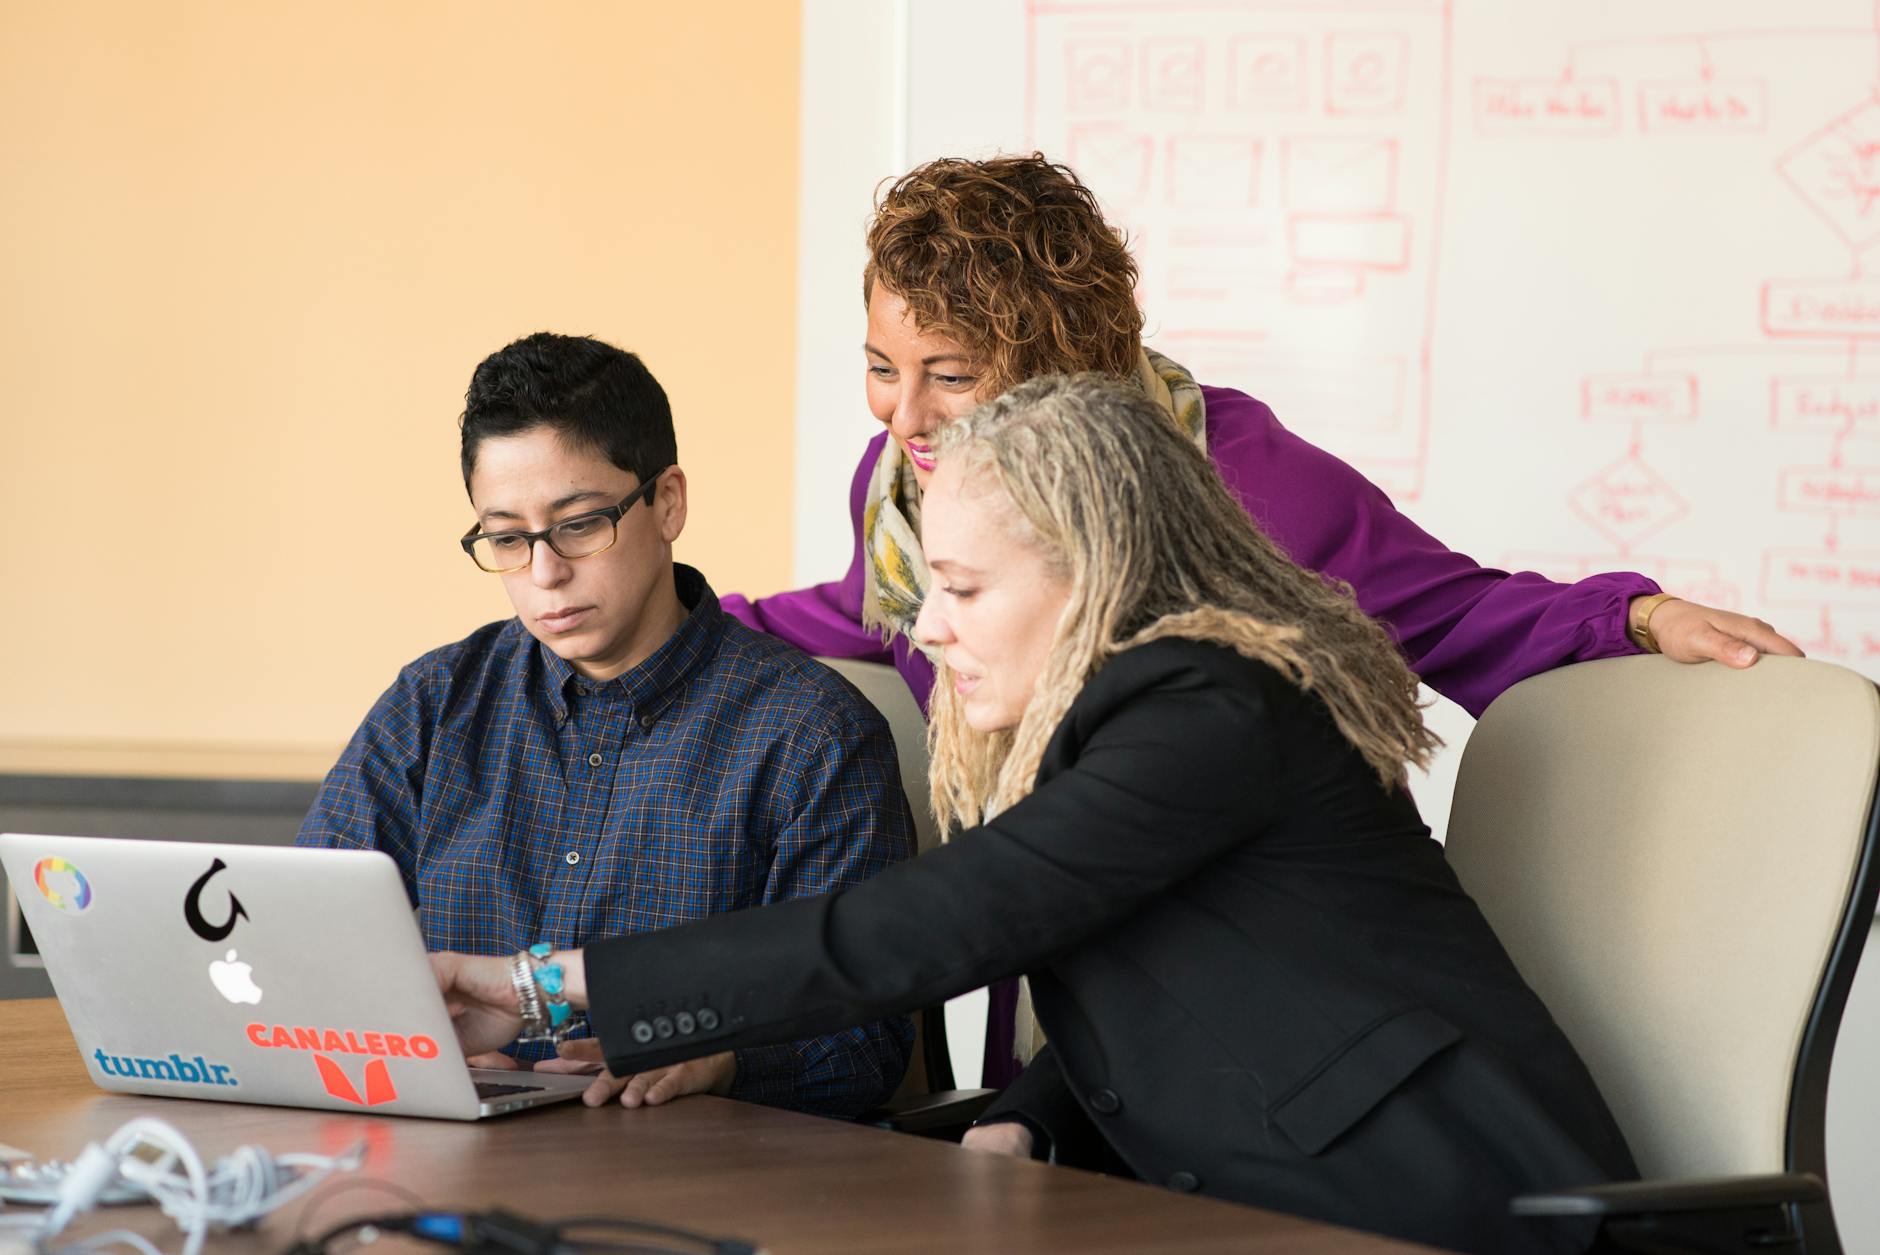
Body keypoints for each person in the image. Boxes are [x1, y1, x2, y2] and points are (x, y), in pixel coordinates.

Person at [432, 374, 1638, 1255]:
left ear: (1094, 564)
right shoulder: (1130, 720)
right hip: (1252, 1205)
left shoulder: (1208, 705)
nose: (928, 627)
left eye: (957, 588)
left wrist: (550, 984)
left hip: (1445, 1211)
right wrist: (1023, 1121)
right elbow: (1180, 985)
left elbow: (934, 924)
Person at [720, 153, 1803, 1086]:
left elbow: (1451, 611)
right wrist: (685, 622)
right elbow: (876, 618)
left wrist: (1641, 617)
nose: (901, 414)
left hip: (1259, 1005)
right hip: (1074, 985)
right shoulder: (906, 485)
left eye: (947, 375)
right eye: (878, 367)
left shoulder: (1245, 480)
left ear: (1055, 361)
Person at [297, 332, 915, 1118]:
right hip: (451, 1161)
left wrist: (724, 1060)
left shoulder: (811, 735)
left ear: (668, 502)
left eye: (580, 523)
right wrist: (410, 1045)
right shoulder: (435, 704)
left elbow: (865, 1046)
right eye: (506, 538)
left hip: (695, 1182)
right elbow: (307, 943)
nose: (545, 571)